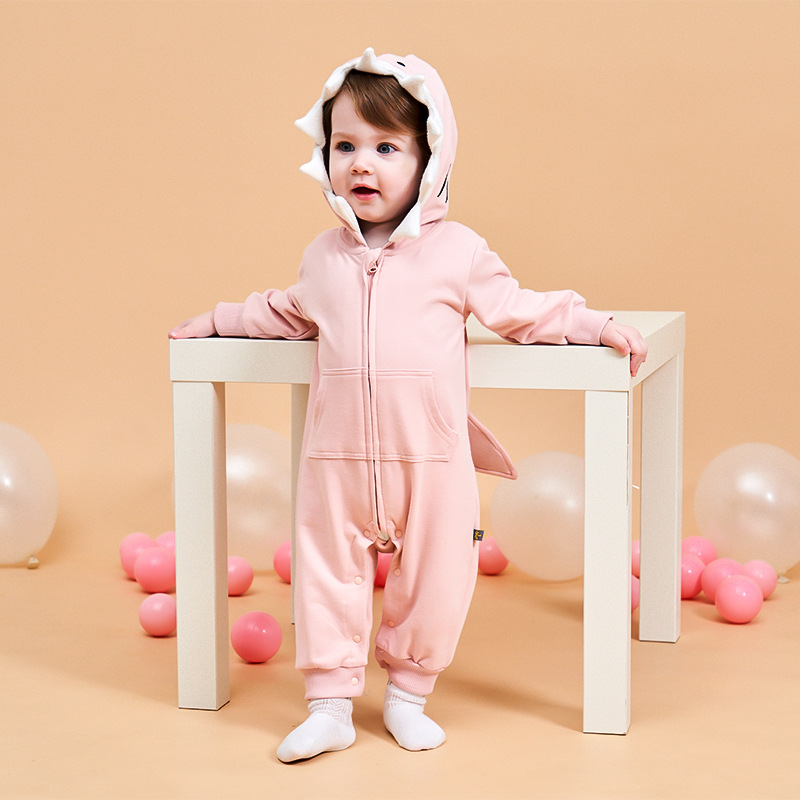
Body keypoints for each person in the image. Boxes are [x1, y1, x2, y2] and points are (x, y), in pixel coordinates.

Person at [170, 48, 647, 762]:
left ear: (430, 158)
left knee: (437, 578)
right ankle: (329, 706)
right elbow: (286, 311)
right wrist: (217, 320)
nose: (361, 164)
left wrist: (593, 324)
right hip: (336, 459)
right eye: (344, 146)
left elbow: (519, 310)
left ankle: (407, 697)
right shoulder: (323, 256)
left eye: (386, 147)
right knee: (326, 575)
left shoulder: (459, 253)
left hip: (431, 459)